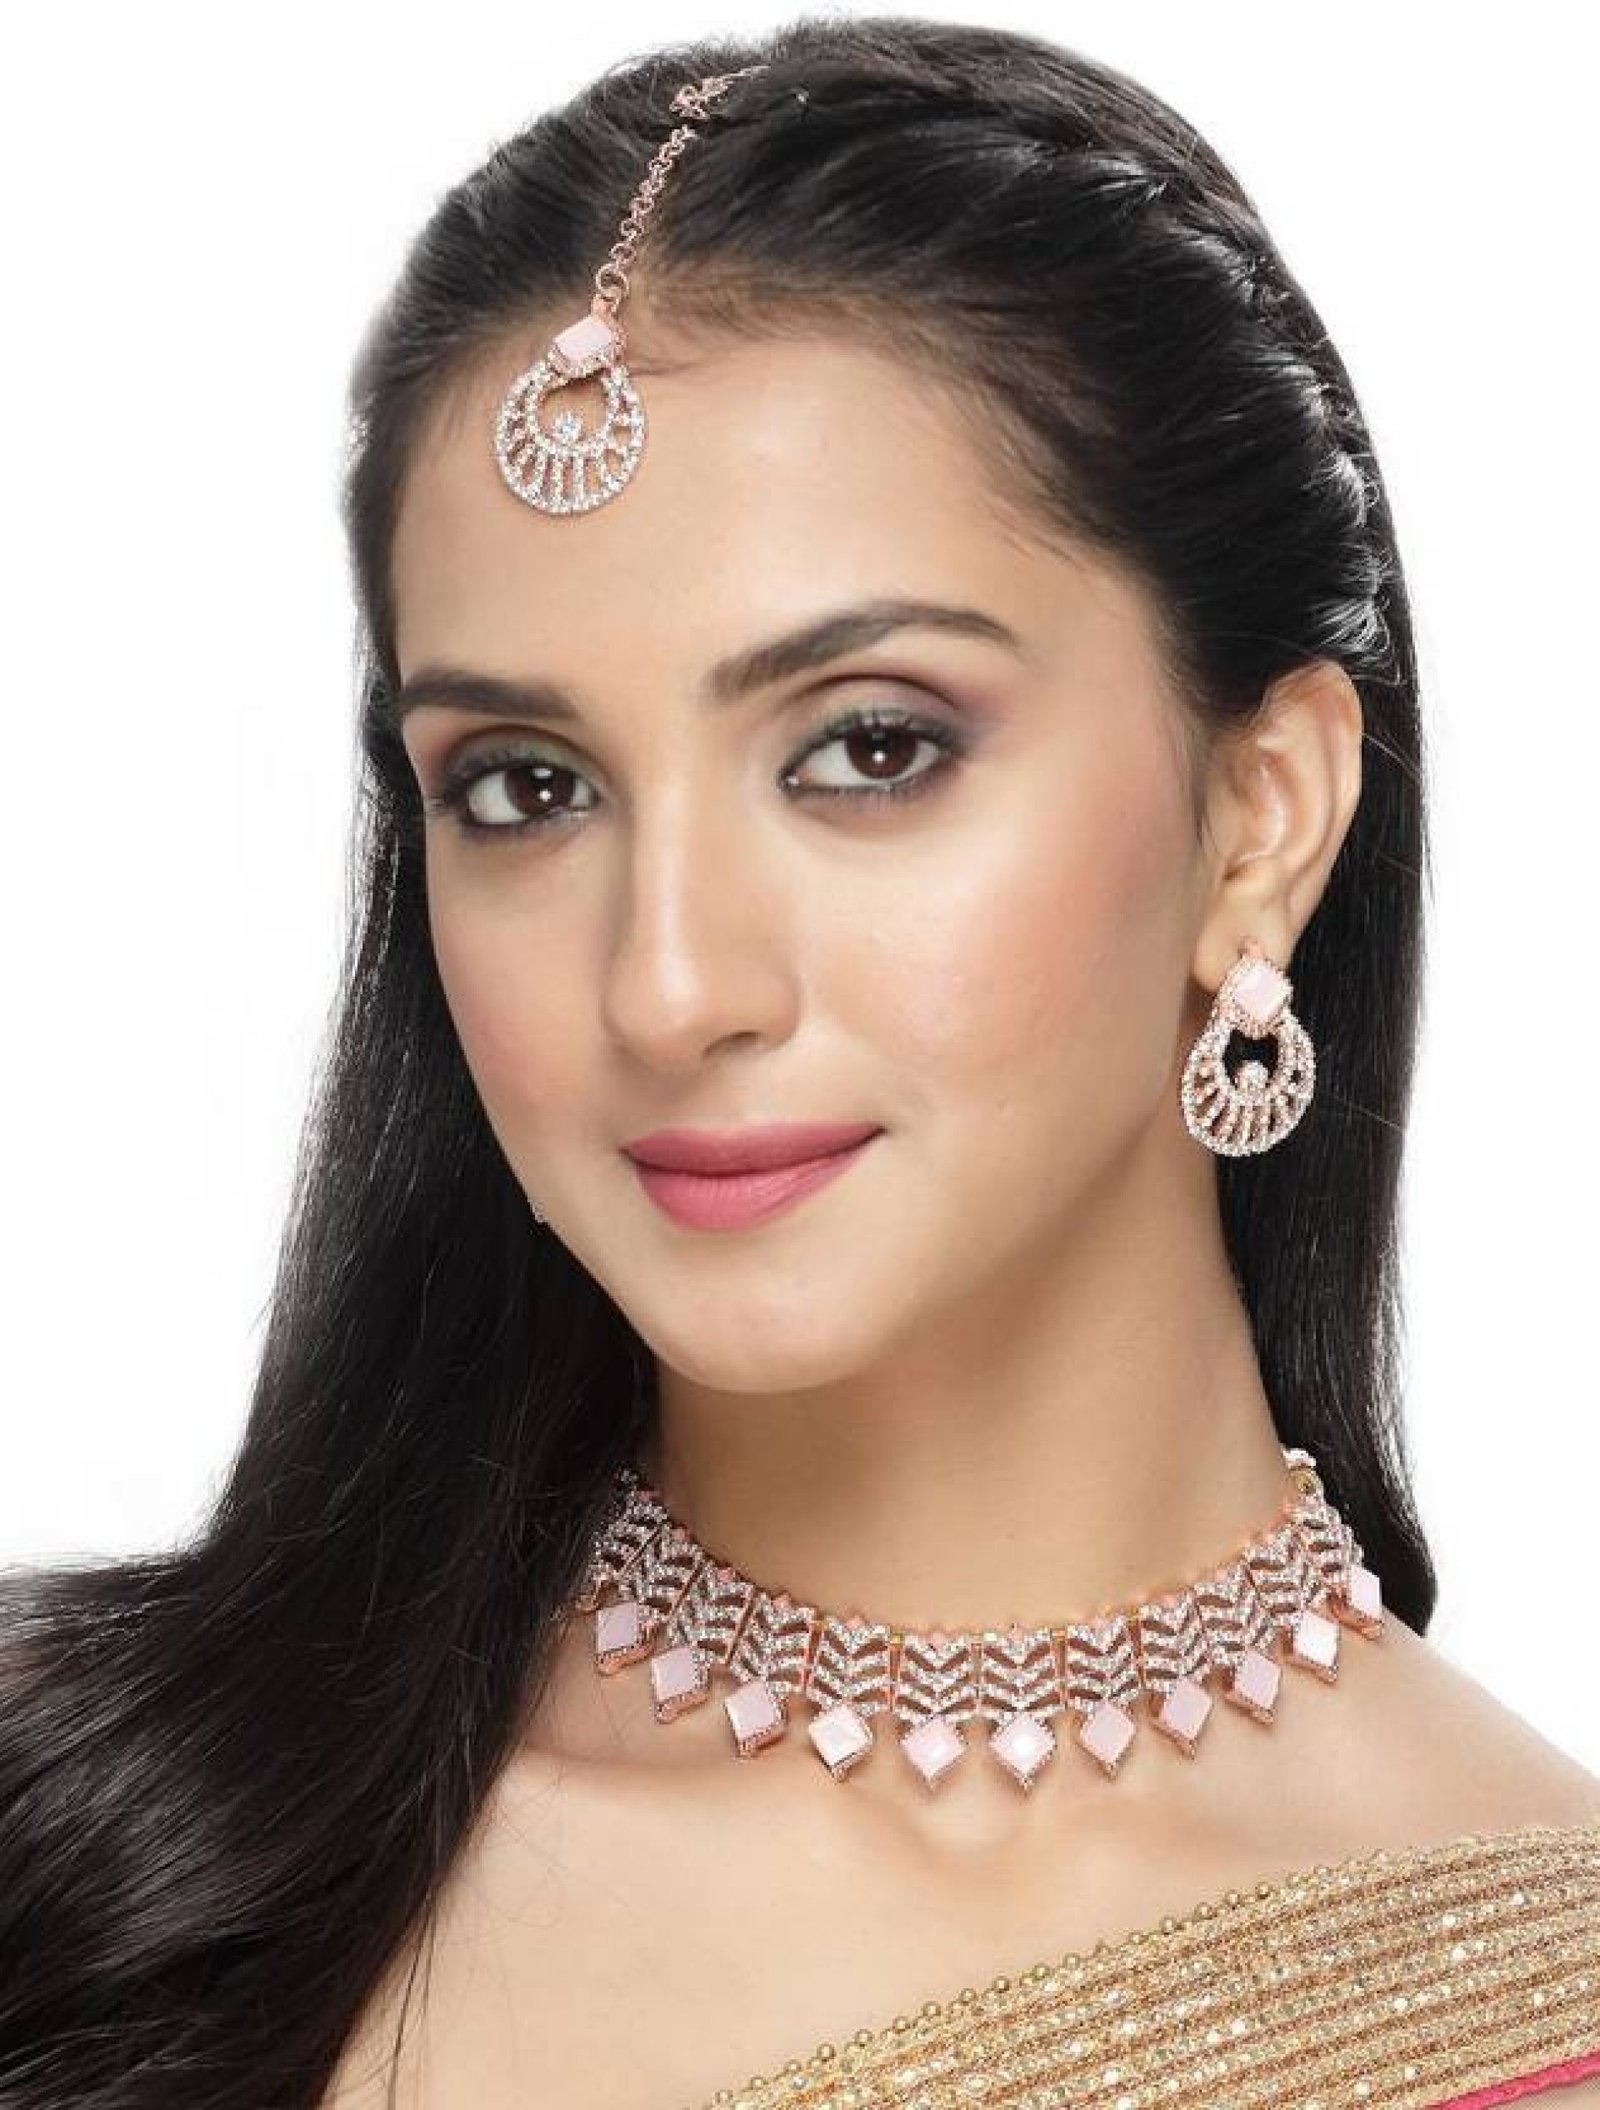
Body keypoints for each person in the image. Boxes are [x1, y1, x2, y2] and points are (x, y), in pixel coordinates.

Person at [2, 17, 1596, 2110]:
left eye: (869, 747)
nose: (667, 986)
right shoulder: (96, 1835)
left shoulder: (1537, 2004)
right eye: (526, 784)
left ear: (1259, 818)